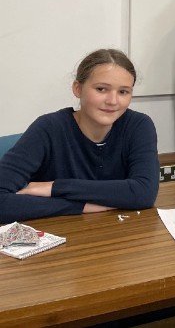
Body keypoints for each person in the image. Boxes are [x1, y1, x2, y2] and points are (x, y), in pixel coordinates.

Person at [0, 49, 159, 224]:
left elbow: (144, 193)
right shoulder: (48, 128)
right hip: (61, 238)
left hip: (118, 235)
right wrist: (80, 206)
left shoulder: (139, 125)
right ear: (78, 89)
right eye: (101, 89)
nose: (113, 101)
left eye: (123, 92)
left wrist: (54, 187)